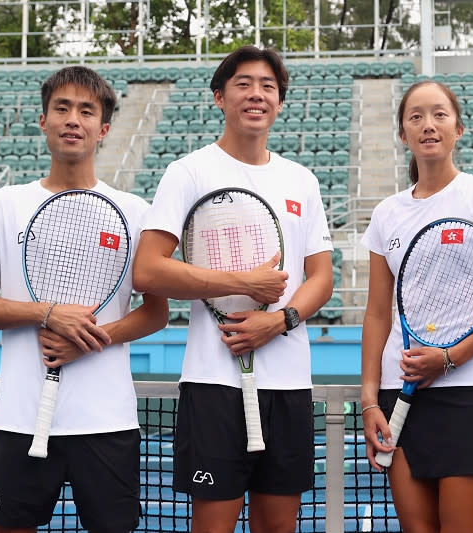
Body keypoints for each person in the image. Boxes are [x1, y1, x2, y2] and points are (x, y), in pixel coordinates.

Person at [0, 66, 169, 533]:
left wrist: (91, 338)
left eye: (86, 111)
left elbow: (156, 312)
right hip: (20, 415)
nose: (74, 119)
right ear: (44, 120)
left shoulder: (136, 213)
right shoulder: (2, 205)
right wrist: (48, 313)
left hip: (107, 420)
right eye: (62, 108)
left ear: (103, 128)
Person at [132, 45, 333, 533]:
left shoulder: (301, 180)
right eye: (243, 84)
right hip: (213, 384)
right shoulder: (188, 172)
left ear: (280, 102)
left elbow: (322, 278)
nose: (256, 94)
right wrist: (242, 283)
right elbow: (148, 271)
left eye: (268, 86)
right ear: (219, 97)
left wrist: (278, 321)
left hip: (287, 386)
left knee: (278, 527)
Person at [360, 80, 473, 532]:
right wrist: (368, 399)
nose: (427, 125)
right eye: (415, 117)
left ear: (459, 128)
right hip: (400, 394)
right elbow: (378, 312)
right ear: (402, 134)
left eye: (439, 114)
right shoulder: (386, 214)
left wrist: (450, 358)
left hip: (471, 392)